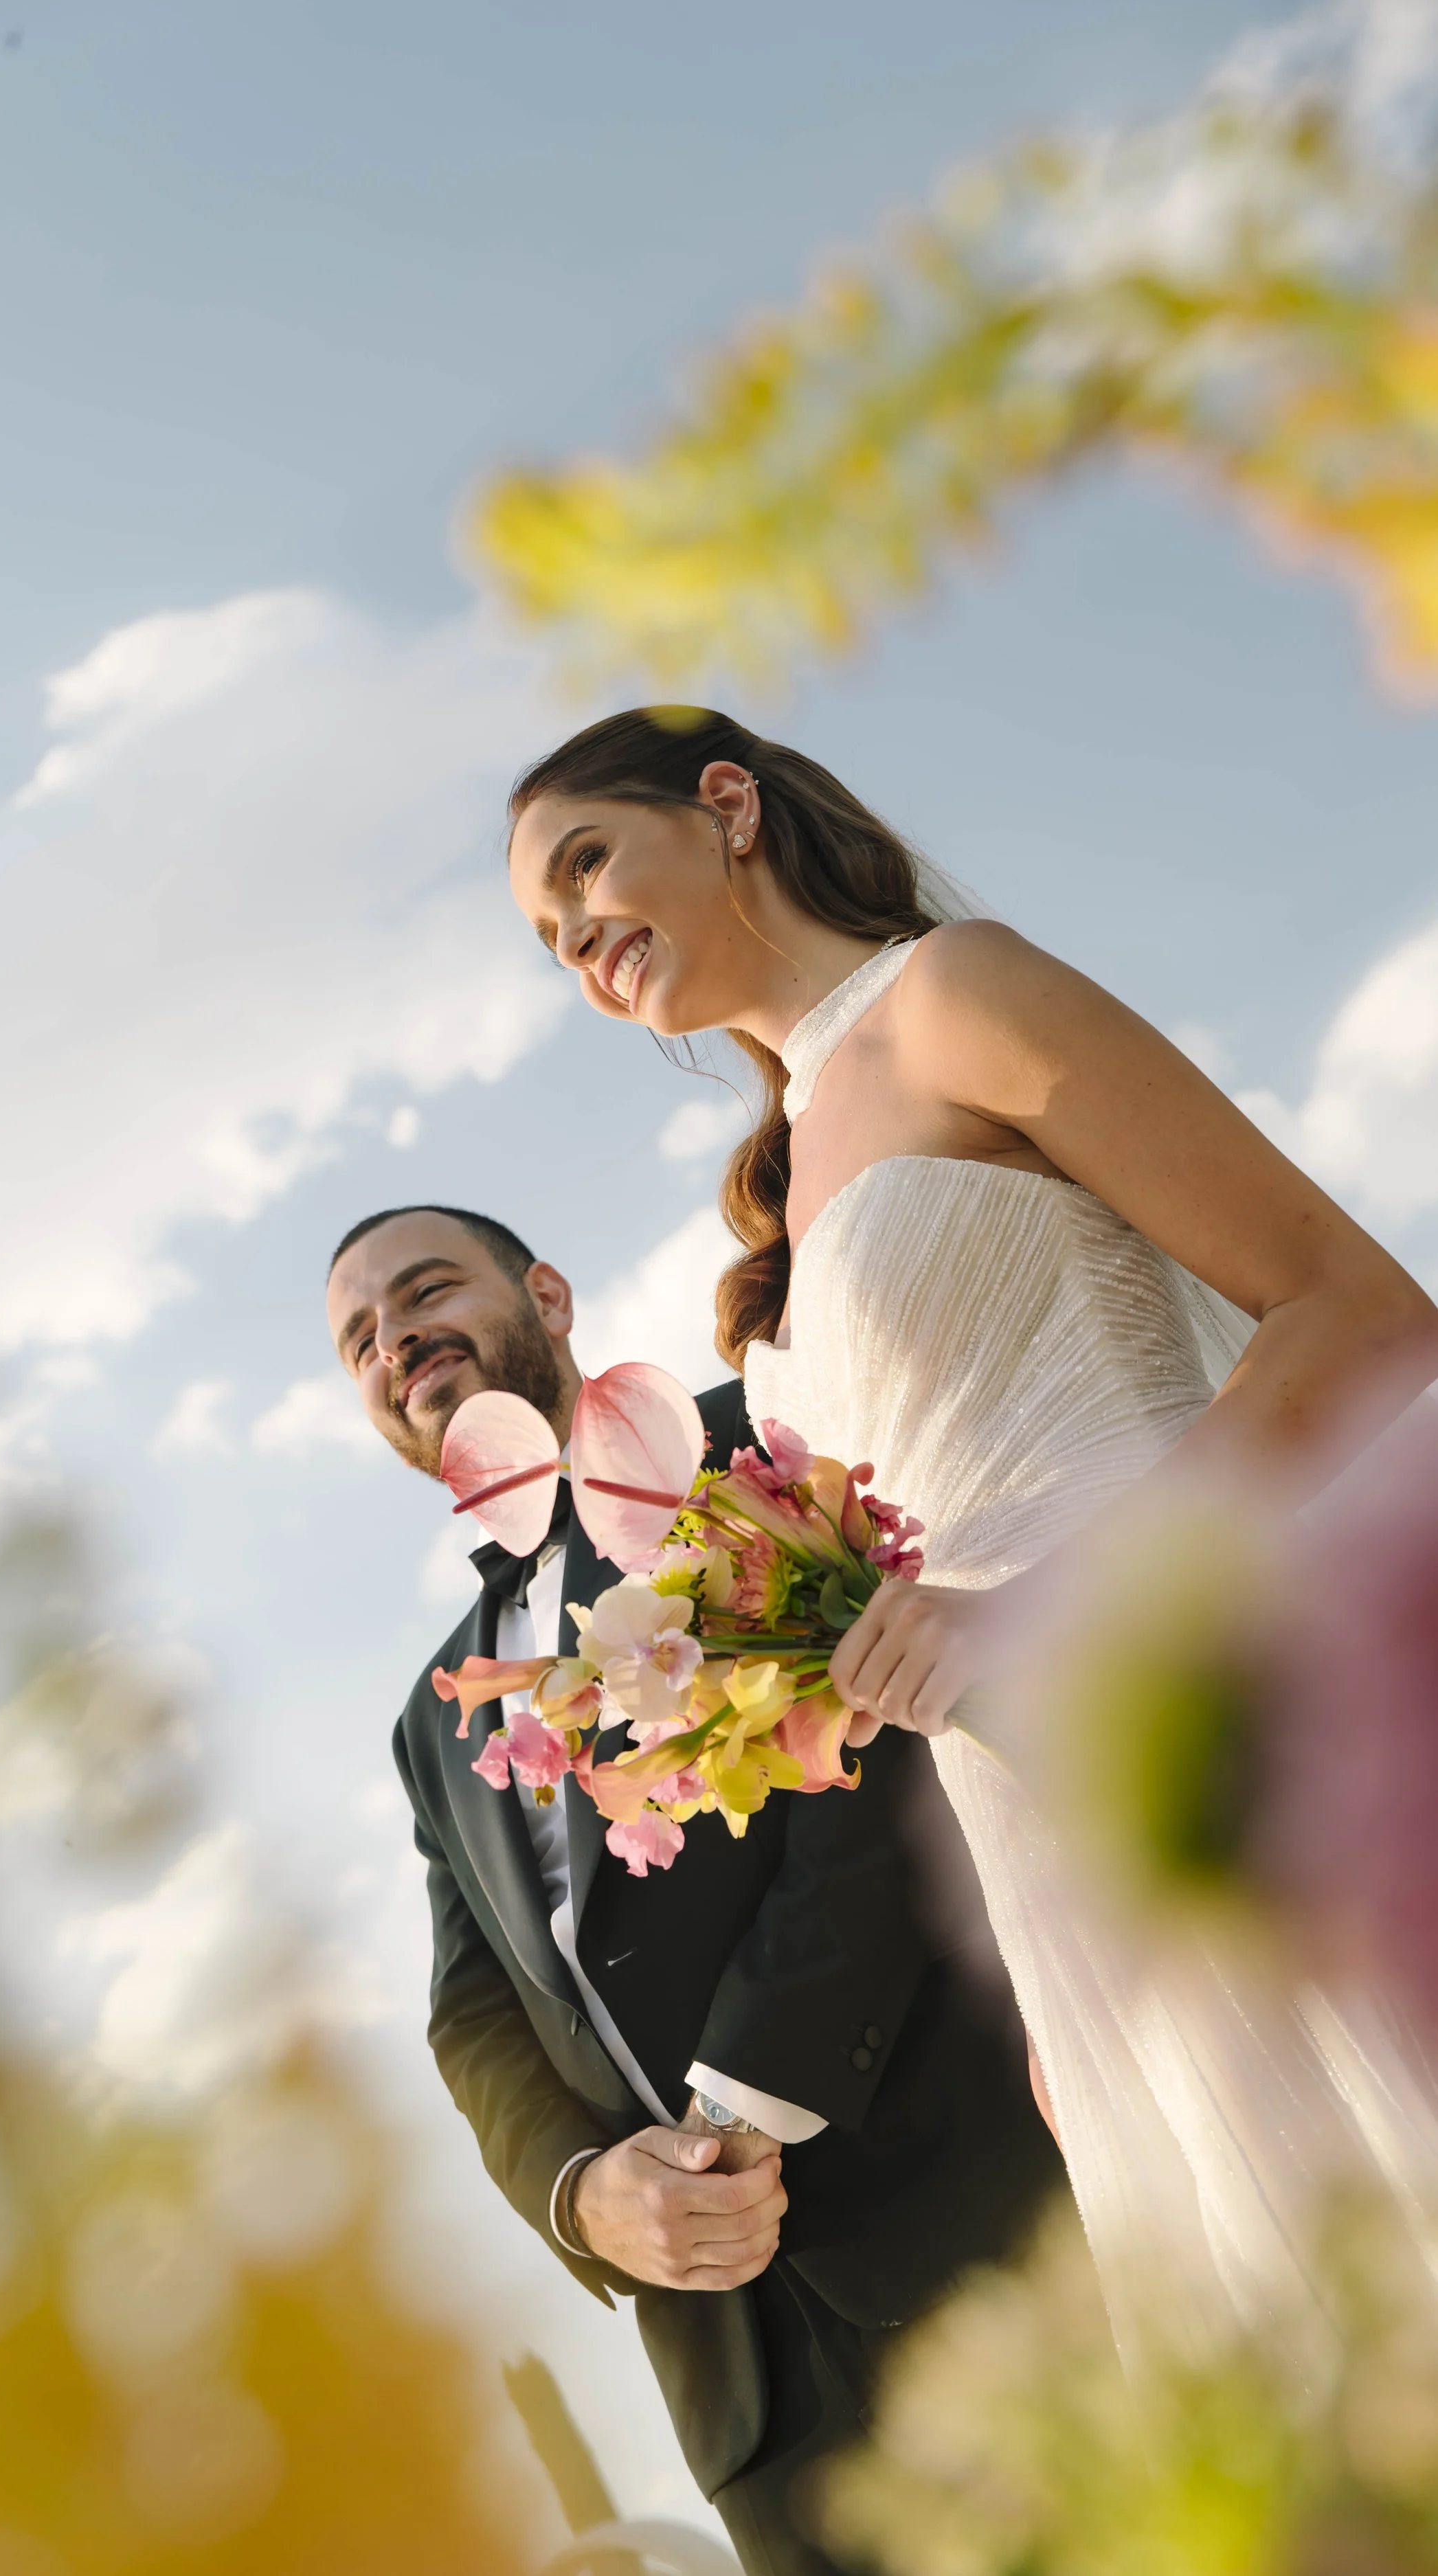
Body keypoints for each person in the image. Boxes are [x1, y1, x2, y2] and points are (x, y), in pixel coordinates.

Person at [504, 706, 1438, 2370]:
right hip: (1048, 1835)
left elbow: (1357, 1312)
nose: (578, 941)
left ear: (725, 805)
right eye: (548, 937)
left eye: (584, 864)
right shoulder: (781, 1193)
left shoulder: (956, 993)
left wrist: (1052, 1614)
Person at [328, 1204, 1061, 2576]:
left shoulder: (737, 1448)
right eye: (359, 1339)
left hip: (972, 2223)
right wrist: (585, 2195)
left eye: (426, 1290)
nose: (396, 1338)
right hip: (749, 2398)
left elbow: (887, 1757)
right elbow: (473, 2020)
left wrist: (738, 2108)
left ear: (545, 1294)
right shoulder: (431, 1723)